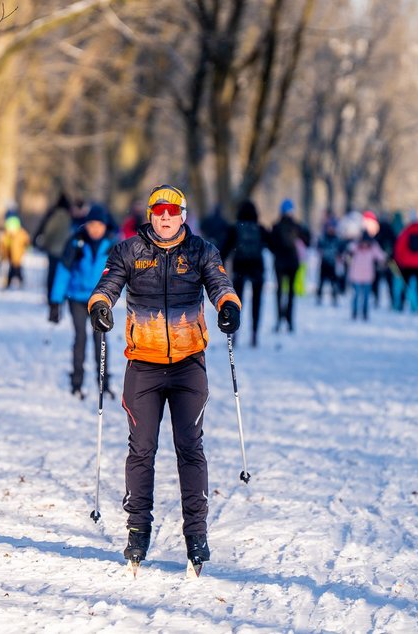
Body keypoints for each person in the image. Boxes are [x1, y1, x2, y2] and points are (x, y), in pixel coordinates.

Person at [87, 184, 241, 571]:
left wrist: (228, 306)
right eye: (159, 211)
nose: (166, 217)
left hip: (189, 365)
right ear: (151, 214)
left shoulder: (202, 251)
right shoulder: (128, 250)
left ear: (183, 215)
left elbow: (221, 285)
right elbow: (106, 286)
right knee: (142, 449)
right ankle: (138, 530)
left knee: (190, 447)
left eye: (173, 211)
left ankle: (197, 535)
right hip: (144, 365)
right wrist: (101, 306)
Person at [48, 204, 115, 399]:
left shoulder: (111, 244)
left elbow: (121, 272)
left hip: (99, 299)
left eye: (99, 225)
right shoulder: (76, 242)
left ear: (104, 226)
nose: (95, 229)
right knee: (80, 338)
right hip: (76, 298)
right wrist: (55, 301)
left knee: (100, 339)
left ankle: (104, 382)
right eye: (91, 224)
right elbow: (63, 271)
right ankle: (76, 382)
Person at [221, 199, 268, 347]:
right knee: (256, 302)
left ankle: (234, 333)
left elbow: (225, 249)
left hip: (239, 269)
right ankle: (254, 333)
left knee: (237, 303)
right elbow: (273, 244)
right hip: (257, 268)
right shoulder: (260, 229)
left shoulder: (235, 229)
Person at [269, 198, 306, 332]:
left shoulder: (276, 226)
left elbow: (271, 245)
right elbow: (307, 239)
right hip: (292, 262)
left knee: (279, 292)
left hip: (279, 262)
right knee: (291, 291)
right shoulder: (296, 226)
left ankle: (279, 319)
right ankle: (289, 320)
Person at [33, 194, 75, 303]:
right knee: (63, 273)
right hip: (65, 250)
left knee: (52, 274)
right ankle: (60, 296)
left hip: (53, 250)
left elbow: (48, 231)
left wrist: (44, 244)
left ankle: (51, 296)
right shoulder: (70, 216)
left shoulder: (54, 215)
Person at [345, 231, 387, 321]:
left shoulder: (373, 248)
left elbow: (381, 256)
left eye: (366, 242)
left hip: (368, 277)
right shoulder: (355, 247)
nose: (365, 244)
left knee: (366, 297)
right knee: (356, 296)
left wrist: (386, 259)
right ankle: (354, 312)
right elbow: (348, 252)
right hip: (356, 276)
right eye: (363, 241)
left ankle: (365, 313)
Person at [0, 214, 31, 289]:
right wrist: (3, 254)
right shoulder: (7, 235)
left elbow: (26, 241)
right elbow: (3, 244)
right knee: (11, 270)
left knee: (17, 270)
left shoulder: (20, 234)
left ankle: (20, 281)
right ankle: (9, 283)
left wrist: (27, 248)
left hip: (17, 257)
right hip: (10, 256)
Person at [316, 219, 342, 306]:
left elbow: (341, 250)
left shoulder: (337, 239)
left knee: (334, 283)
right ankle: (319, 298)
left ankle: (334, 299)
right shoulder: (323, 238)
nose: (331, 229)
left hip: (333, 265)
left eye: (332, 227)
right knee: (321, 283)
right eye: (329, 227)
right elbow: (318, 248)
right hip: (324, 264)